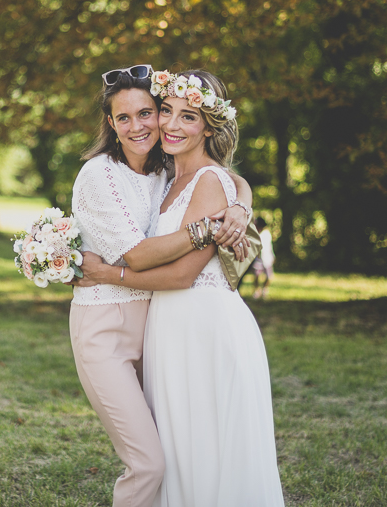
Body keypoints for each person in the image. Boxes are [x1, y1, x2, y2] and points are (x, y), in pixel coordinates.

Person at [81, 69, 284, 506]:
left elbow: (181, 275)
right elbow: (234, 182)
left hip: (206, 330)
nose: (170, 125)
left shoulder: (209, 181)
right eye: (167, 111)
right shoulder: (166, 176)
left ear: (209, 127)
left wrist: (108, 273)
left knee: (211, 453)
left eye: (187, 117)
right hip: (171, 328)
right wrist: (242, 201)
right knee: (181, 453)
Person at [251, 216, 275, 299]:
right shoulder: (254, 234)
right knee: (257, 275)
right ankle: (257, 291)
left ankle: (264, 289)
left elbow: (269, 246)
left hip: (267, 258)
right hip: (258, 258)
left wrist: (272, 255)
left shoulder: (266, 234)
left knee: (269, 276)